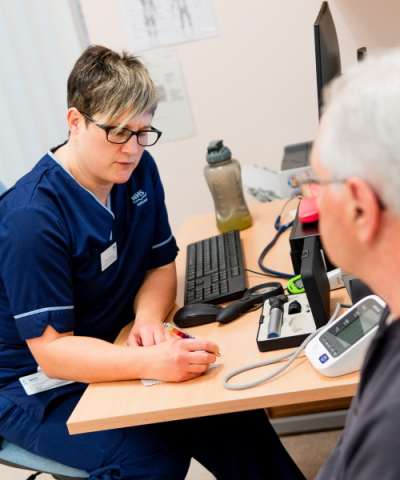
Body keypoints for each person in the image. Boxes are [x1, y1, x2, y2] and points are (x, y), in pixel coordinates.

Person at [0, 45, 305, 480]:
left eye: (143, 131)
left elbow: (160, 263)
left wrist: (147, 318)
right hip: (33, 385)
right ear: (75, 122)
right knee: (151, 458)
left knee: (220, 406)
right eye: (119, 132)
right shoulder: (32, 218)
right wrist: (148, 363)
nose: (133, 148)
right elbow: (52, 353)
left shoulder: (136, 171)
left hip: (111, 340)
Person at [306, 48, 400, 479]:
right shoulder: (390, 309)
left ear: (361, 207)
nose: (309, 201)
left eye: (318, 182)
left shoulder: (390, 438)